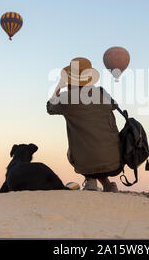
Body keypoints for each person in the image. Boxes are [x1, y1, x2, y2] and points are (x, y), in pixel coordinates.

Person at [47, 57, 122, 193]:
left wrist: (59, 87)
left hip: (86, 161)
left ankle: (91, 181)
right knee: (95, 145)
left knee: (79, 149)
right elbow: (114, 105)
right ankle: (107, 185)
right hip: (115, 159)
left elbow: (50, 108)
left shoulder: (66, 99)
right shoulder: (101, 93)